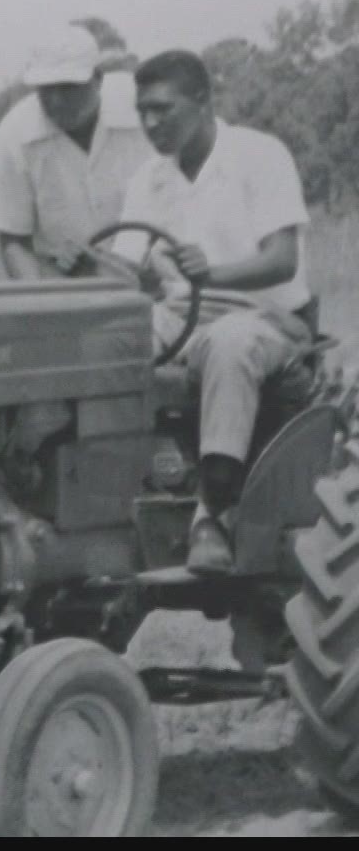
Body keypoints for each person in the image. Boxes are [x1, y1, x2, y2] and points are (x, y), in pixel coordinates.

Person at [112, 49, 316, 574]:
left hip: (265, 318)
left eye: (164, 109)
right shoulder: (148, 180)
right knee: (105, 343)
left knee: (230, 342)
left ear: (203, 102)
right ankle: (98, 505)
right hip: (179, 316)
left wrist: (213, 275)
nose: (152, 124)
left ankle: (212, 513)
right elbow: (127, 269)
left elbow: (282, 259)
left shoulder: (259, 155)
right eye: (143, 113)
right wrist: (126, 278)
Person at [0, 21, 157, 280]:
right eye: (46, 89)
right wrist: (46, 303)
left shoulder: (142, 109)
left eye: (69, 87)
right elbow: (14, 241)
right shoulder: (14, 134)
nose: (56, 100)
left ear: (98, 78)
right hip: (65, 284)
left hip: (150, 277)